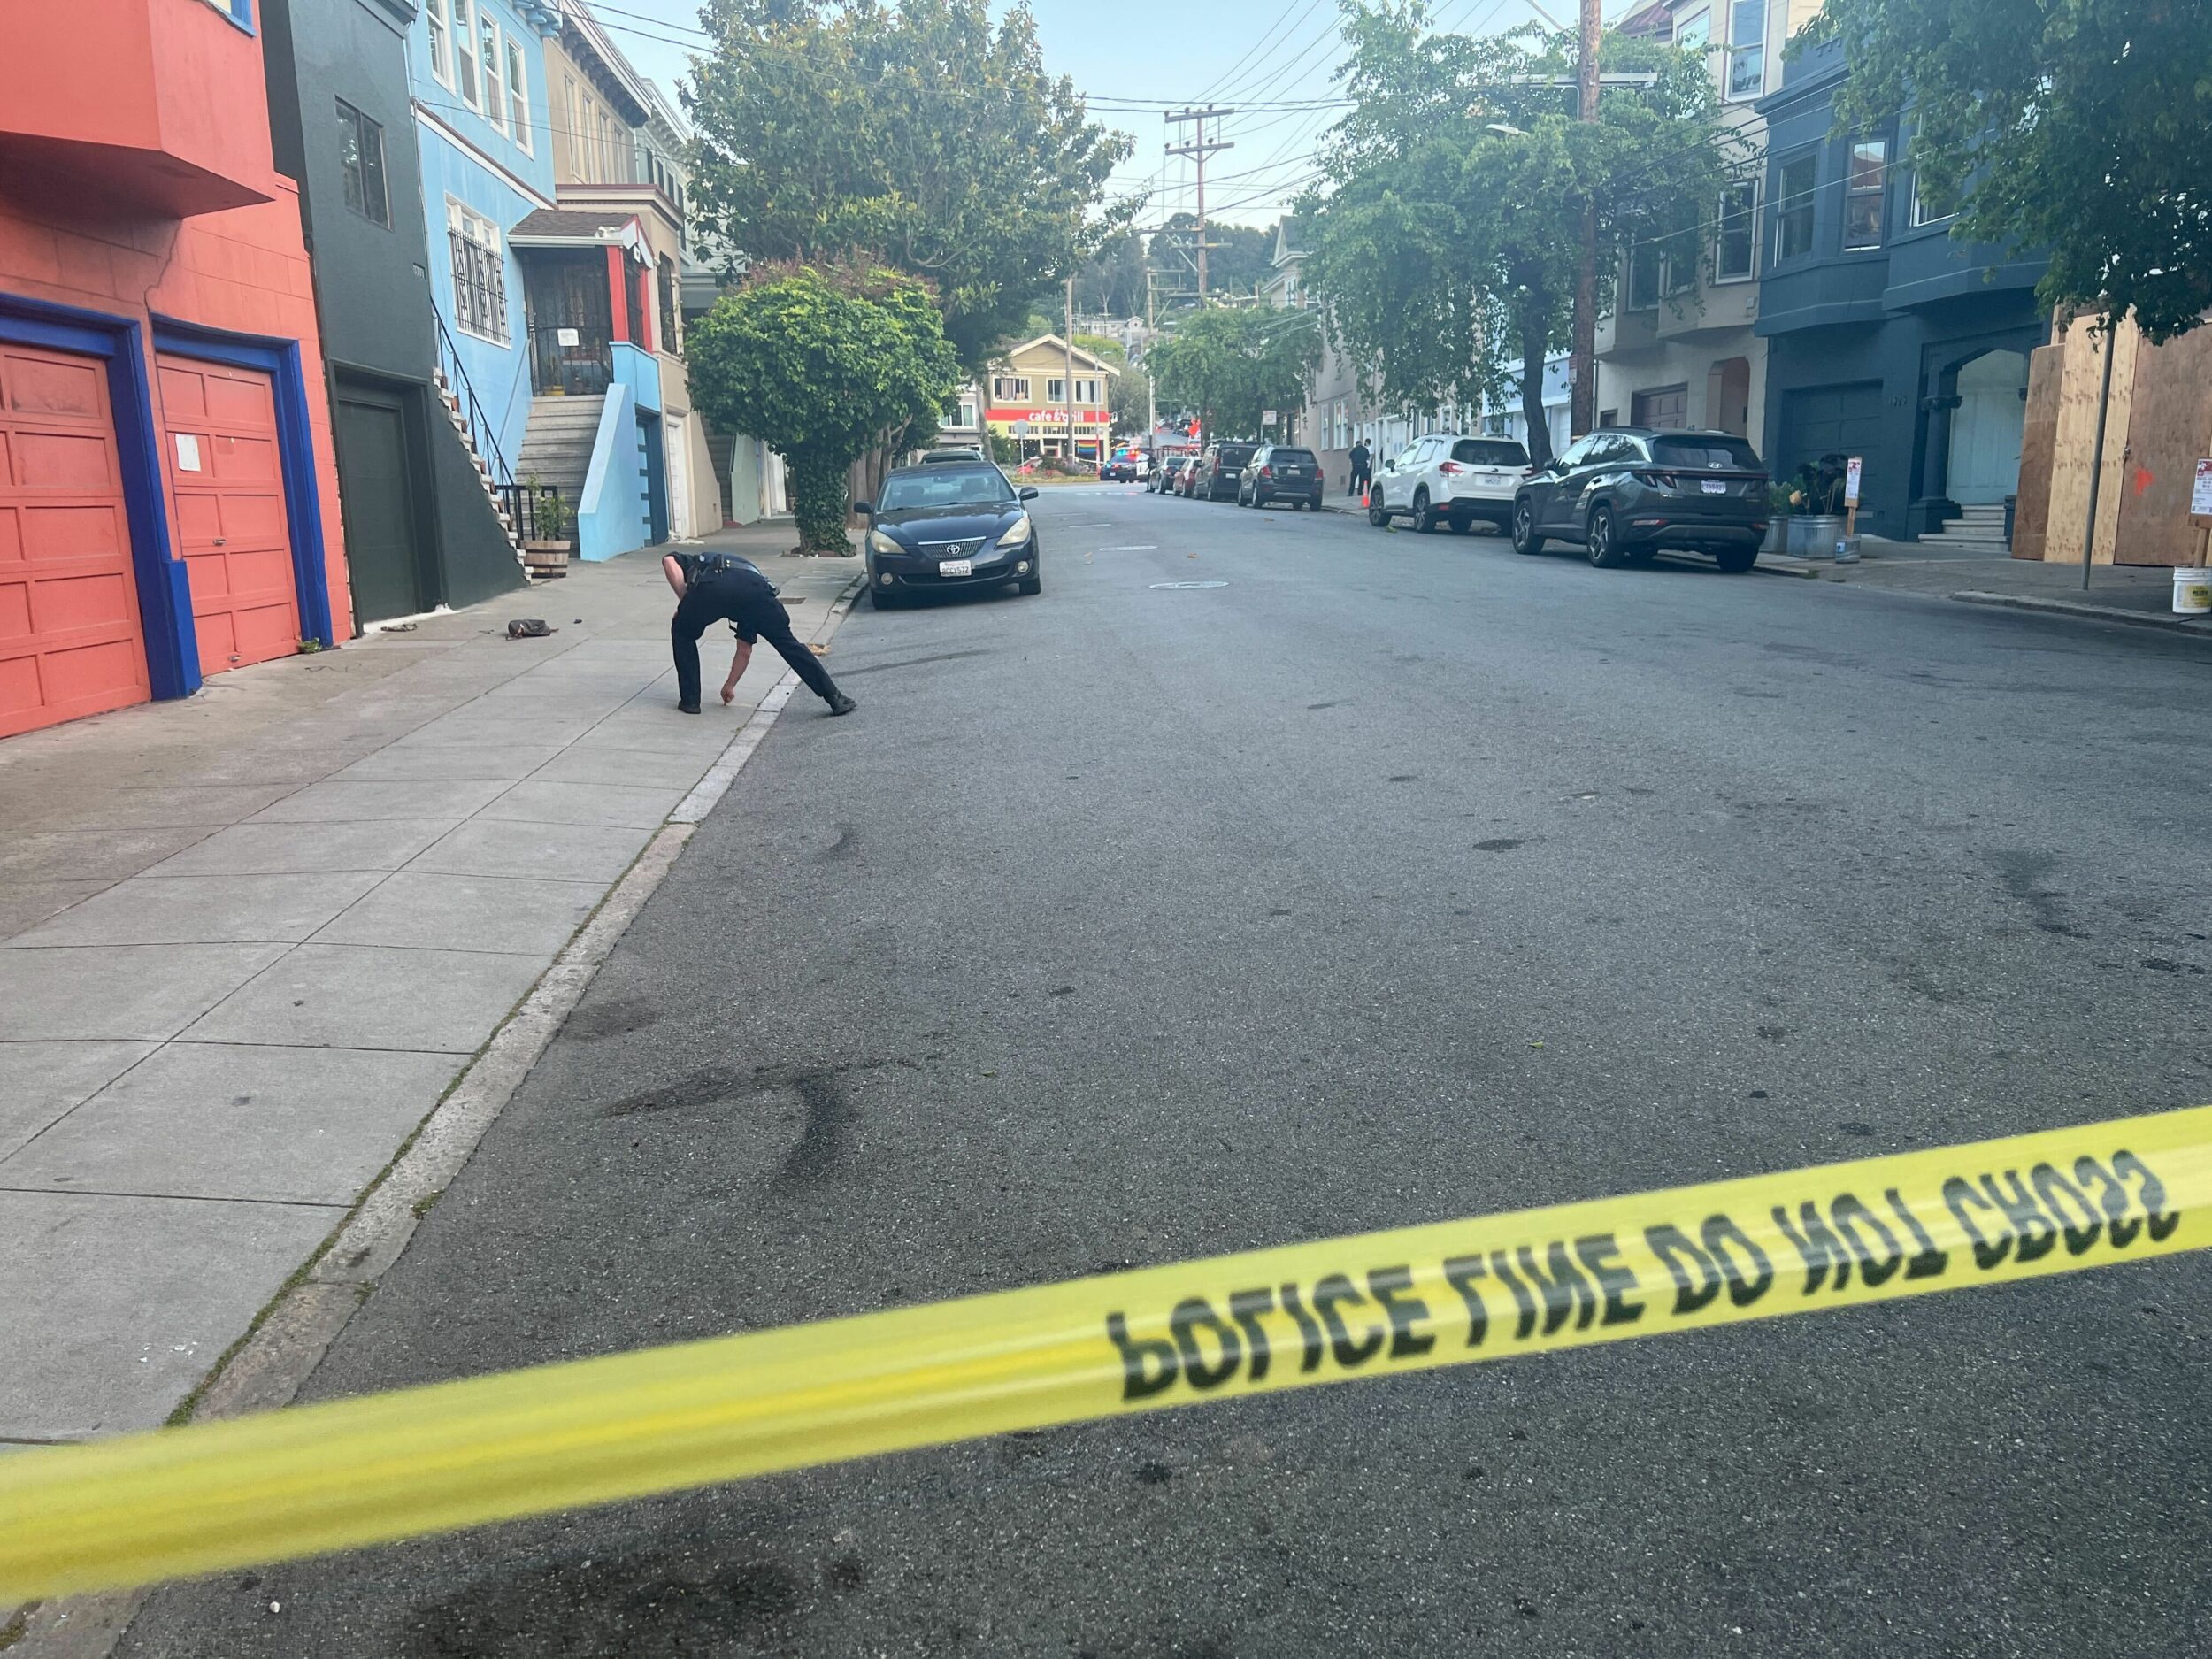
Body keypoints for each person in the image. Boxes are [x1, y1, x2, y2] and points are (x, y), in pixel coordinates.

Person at [663, 550, 856, 717]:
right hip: (755, 594)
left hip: (712, 588)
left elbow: (668, 560)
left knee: (682, 633)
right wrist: (730, 685)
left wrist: (684, 603)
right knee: (788, 643)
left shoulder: (693, 561)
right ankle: (835, 698)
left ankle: (691, 702)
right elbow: (744, 649)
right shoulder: (750, 575)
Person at [1348, 438, 1372, 502]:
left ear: (1356, 444)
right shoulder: (1365, 449)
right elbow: (1368, 458)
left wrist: (1352, 463)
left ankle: (1350, 493)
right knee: (1362, 480)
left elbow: (1350, 457)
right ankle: (1360, 492)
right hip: (1363, 466)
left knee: (1353, 480)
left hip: (1355, 466)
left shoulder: (1354, 450)